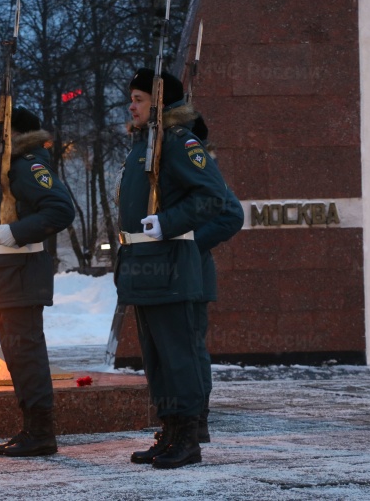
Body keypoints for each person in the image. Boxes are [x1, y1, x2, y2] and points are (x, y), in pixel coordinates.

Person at [116, 68, 227, 469]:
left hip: (170, 269)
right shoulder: (145, 146)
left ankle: (187, 438)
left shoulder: (179, 142)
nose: (132, 105)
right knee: (157, 358)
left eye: (141, 98)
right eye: (132, 97)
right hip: (144, 269)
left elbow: (214, 198)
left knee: (179, 356)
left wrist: (169, 222)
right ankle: (169, 431)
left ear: (160, 105)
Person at [0, 107, 75, 457]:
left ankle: (42, 434)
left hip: (20, 275)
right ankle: (32, 430)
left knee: (27, 355)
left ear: (13, 135)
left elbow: (61, 209)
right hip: (6, 276)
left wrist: (17, 232)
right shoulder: (6, 170)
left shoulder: (27, 166)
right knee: (18, 357)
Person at [190, 118, 244, 442]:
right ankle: (183, 422)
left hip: (192, 274)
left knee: (191, 349)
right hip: (171, 275)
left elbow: (232, 214)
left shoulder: (200, 165)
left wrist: (189, 244)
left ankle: (196, 421)